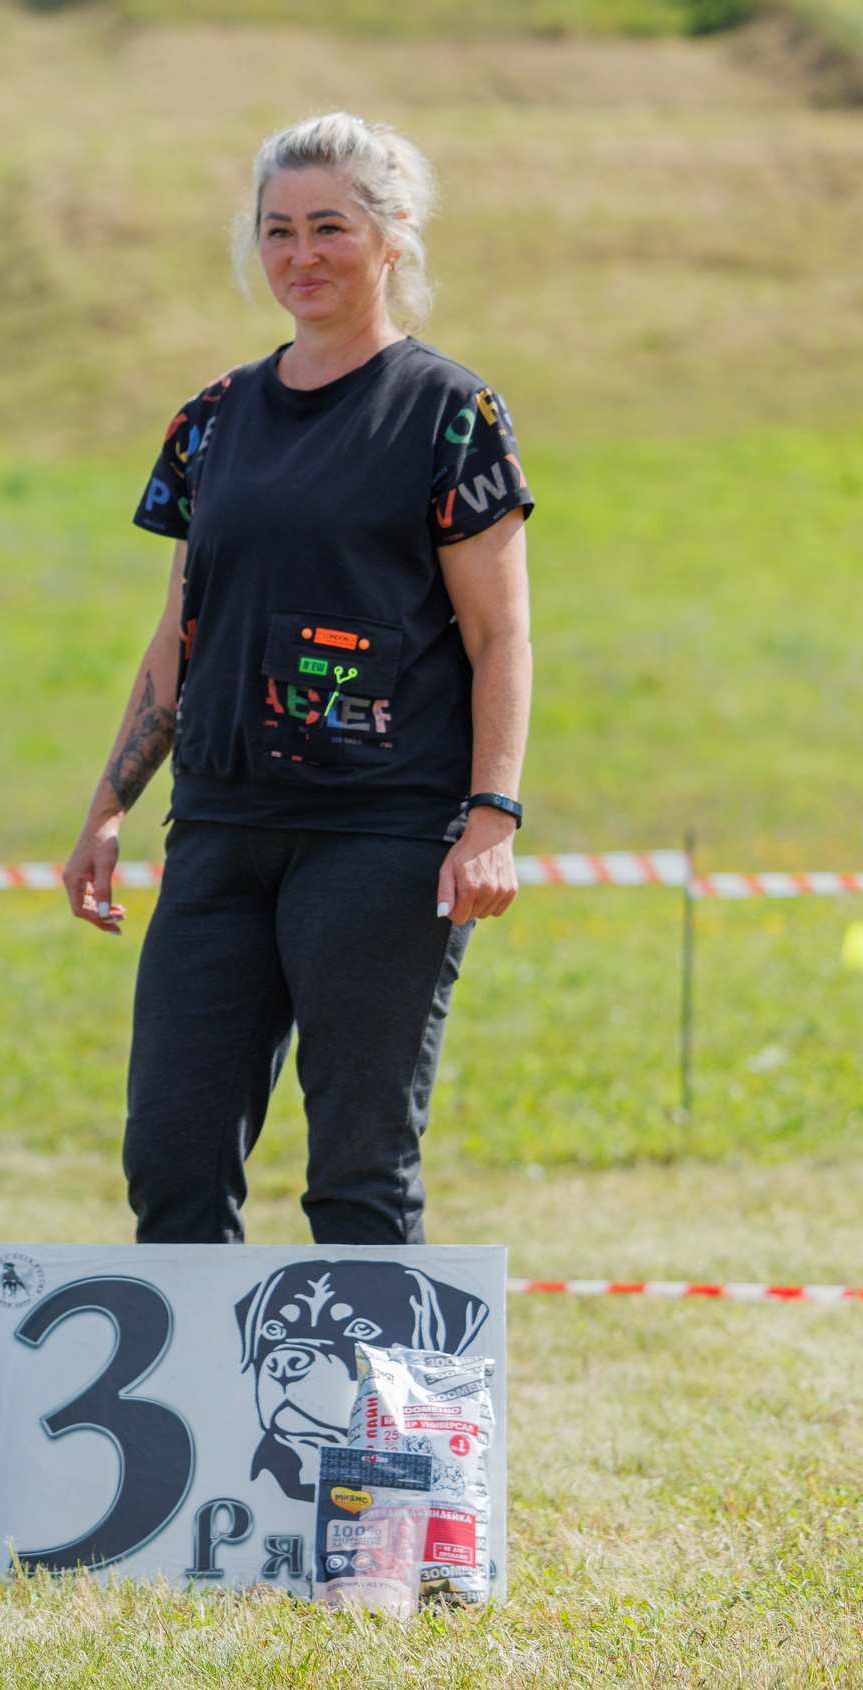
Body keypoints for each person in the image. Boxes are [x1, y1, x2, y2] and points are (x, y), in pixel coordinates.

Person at [62, 112, 533, 1249]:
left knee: (358, 1174)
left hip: (380, 838)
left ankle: (371, 1429)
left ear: (391, 236)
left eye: (329, 227)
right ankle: (207, 1429)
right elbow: (182, 621)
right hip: (220, 829)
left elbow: (499, 633)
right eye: (278, 231)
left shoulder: (449, 413)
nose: (300, 255)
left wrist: (491, 814)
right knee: (170, 1160)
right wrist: (111, 802)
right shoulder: (212, 420)